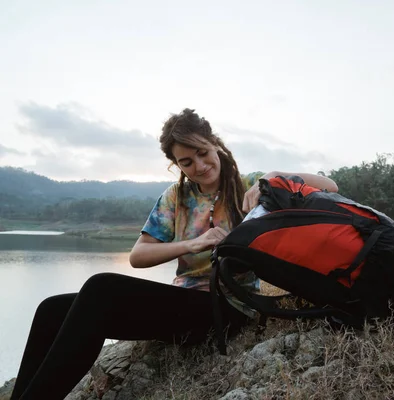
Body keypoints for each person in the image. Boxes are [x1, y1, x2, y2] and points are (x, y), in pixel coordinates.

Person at [10, 108, 338, 400]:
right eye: (186, 161)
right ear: (176, 164)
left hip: (228, 306)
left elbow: (329, 185)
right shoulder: (175, 197)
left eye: (203, 153)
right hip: (182, 304)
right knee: (51, 308)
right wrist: (191, 244)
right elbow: (139, 256)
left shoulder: (250, 184)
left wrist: (270, 180)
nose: (199, 165)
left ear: (216, 144)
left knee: (100, 288)